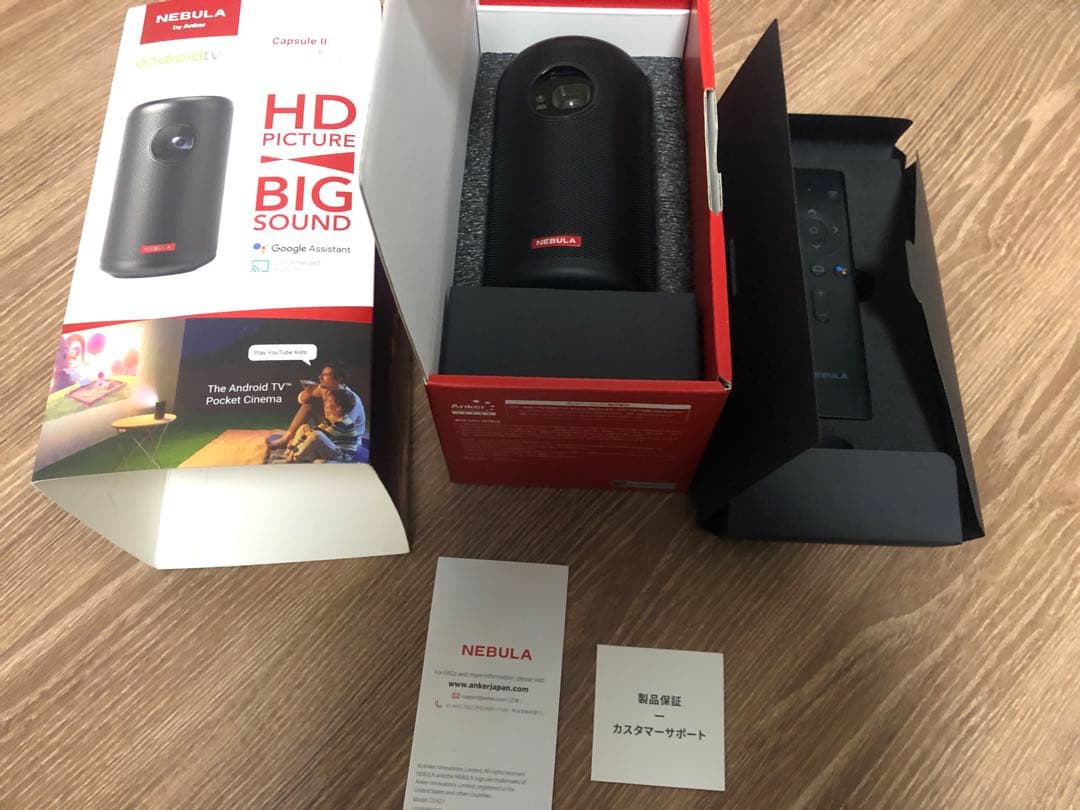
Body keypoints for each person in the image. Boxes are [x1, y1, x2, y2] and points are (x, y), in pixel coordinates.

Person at [266, 362, 365, 451]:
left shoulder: (349, 400)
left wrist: (311, 437)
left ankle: (299, 449)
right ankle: (287, 437)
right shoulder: (324, 389)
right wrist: (309, 392)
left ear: (338, 379)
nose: (320, 377)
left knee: (303, 445)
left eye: (325, 375)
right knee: (310, 403)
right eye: (321, 374)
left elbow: (343, 430)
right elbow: (302, 400)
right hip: (328, 429)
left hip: (343, 441)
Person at [278, 387, 360, 463]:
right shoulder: (332, 417)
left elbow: (319, 435)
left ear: (338, 407)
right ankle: (289, 454)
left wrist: (305, 437)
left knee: (316, 435)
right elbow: (317, 429)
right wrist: (295, 445)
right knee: (304, 427)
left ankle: (295, 458)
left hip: (340, 455)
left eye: (329, 401)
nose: (326, 403)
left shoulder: (343, 423)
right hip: (330, 448)